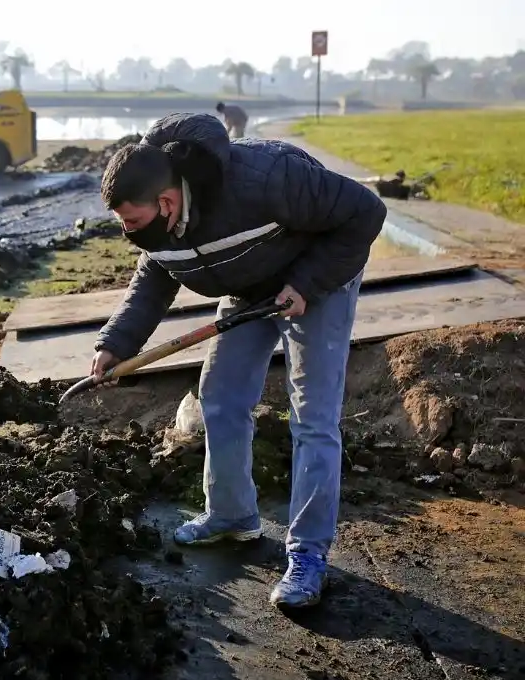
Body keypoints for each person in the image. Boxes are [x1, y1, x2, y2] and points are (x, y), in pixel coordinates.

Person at [92, 113, 386, 608]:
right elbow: (151, 282)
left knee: (313, 417)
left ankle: (308, 555)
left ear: (167, 202)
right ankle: (232, 516)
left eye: (134, 223)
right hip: (247, 288)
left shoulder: (267, 178)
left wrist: (307, 284)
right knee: (221, 397)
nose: (130, 235)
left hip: (317, 280)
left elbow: (366, 214)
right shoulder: (157, 230)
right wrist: (115, 345)